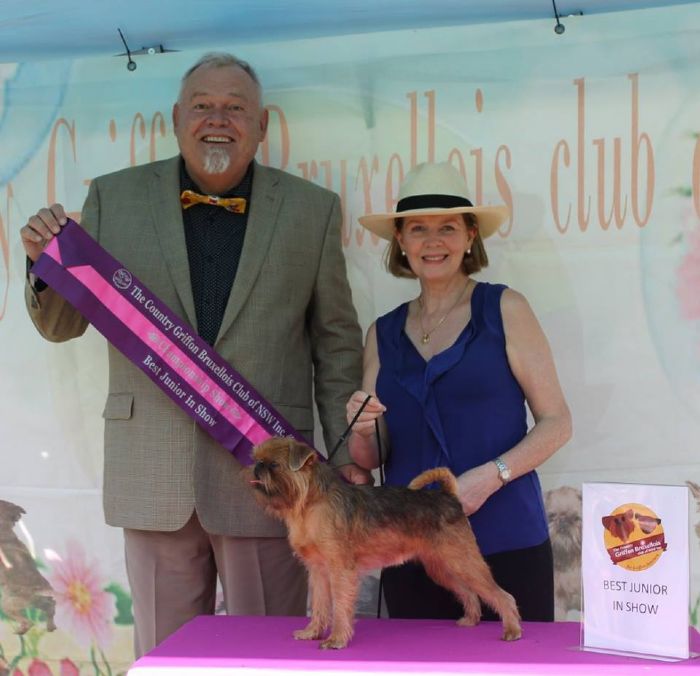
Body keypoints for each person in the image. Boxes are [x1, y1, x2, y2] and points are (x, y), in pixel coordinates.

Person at [21, 52, 369, 657]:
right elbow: (62, 326)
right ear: (176, 118)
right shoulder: (112, 197)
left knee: (275, 659)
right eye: (203, 106)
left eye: (235, 108)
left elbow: (336, 343)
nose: (218, 119)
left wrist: (343, 459)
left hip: (273, 484)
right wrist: (41, 267)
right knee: (166, 659)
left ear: (262, 125)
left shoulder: (312, 210)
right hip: (152, 475)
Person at [346, 162, 572, 622]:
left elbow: (558, 423)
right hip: (410, 549)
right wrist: (362, 428)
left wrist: (490, 477)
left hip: (506, 542)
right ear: (401, 241)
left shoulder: (506, 309)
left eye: (447, 227)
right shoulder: (381, 333)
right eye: (418, 229)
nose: (433, 241)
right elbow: (371, 456)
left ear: (470, 236)